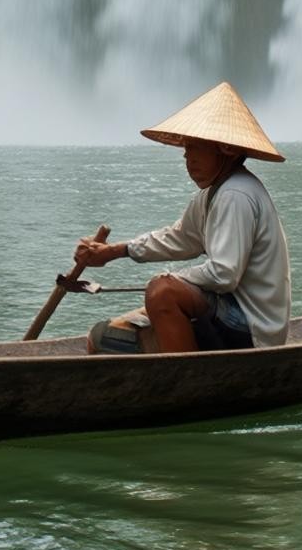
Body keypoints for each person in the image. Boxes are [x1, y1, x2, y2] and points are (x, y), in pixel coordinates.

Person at [76, 81, 291, 352]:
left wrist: (168, 280)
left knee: (162, 293)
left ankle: (185, 376)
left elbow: (224, 274)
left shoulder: (236, 194)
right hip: (227, 312)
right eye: (186, 147)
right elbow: (179, 238)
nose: (187, 156)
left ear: (226, 149)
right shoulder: (215, 193)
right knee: (102, 337)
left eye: (195, 146)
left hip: (252, 326)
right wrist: (114, 251)